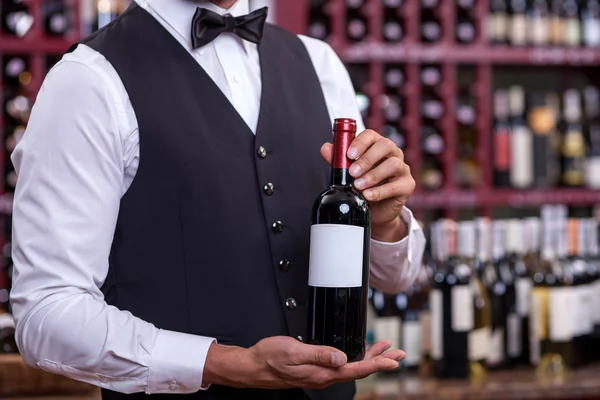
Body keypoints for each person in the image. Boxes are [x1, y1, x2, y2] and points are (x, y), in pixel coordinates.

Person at [9, 0, 426, 399]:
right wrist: (226, 363)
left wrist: (386, 225)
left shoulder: (320, 63)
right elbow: (48, 312)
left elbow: (392, 279)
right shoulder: (87, 80)